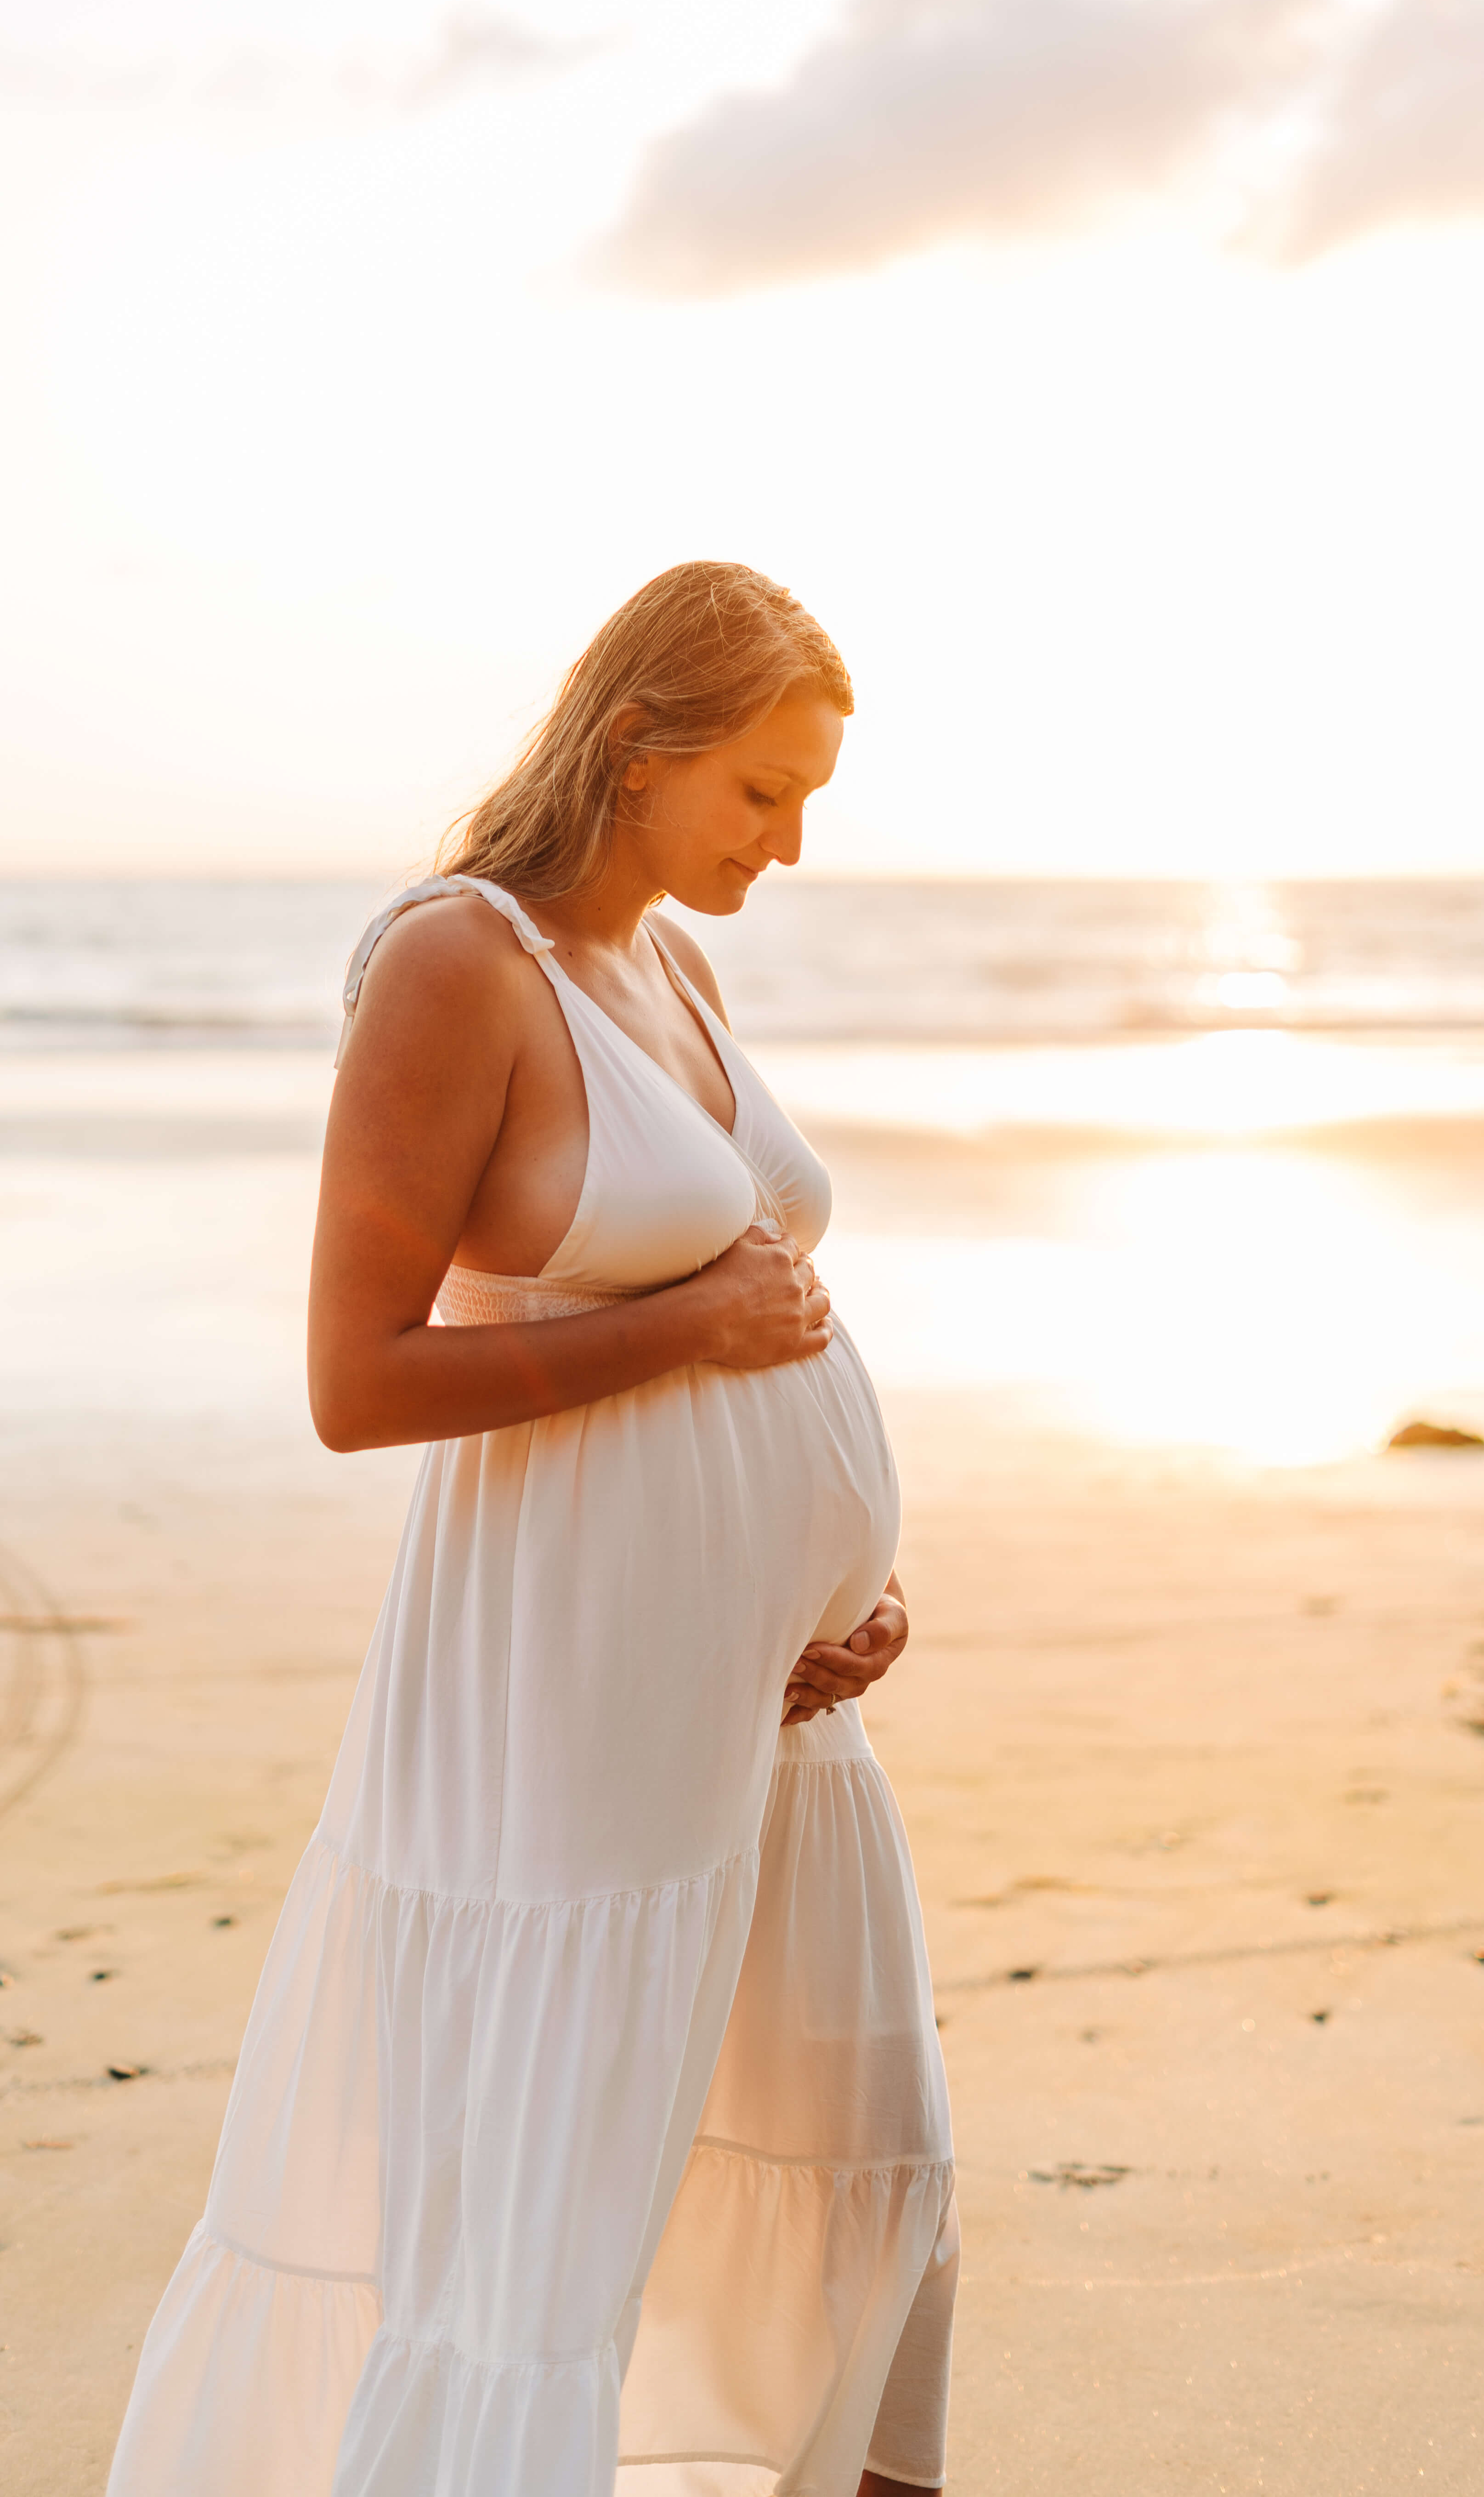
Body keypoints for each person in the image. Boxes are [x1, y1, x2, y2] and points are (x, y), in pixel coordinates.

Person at [107, 563, 957, 2497]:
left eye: (811, 799)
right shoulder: (455, 962)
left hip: (774, 1705)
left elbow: (764, 1310)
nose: (789, 845)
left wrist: (856, 1578)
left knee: (859, 2149)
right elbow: (357, 1380)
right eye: (762, 791)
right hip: (573, 1692)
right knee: (547, 2233)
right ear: (637, 746)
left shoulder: (672, 962)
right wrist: (694, 1334)